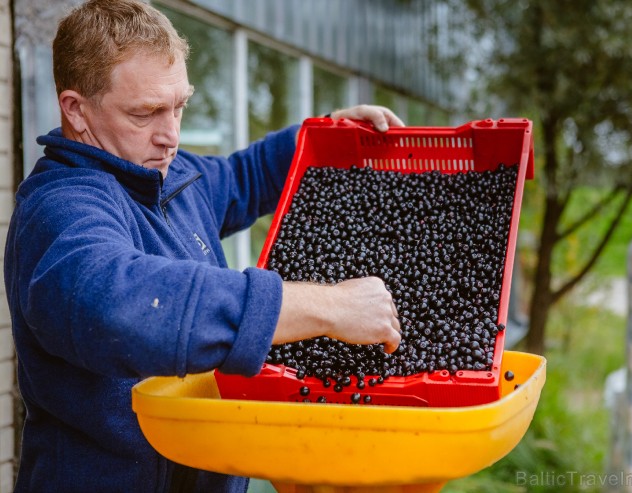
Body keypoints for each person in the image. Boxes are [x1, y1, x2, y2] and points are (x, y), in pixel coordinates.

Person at [4, 1, 405, 491]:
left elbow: (244, 175)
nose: (170, 135)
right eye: (144, 112)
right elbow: (120, 303)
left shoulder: (170, 172)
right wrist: (326, 306)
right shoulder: (59, 209)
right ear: (76, 110)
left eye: (179, 106)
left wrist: (318, 133)